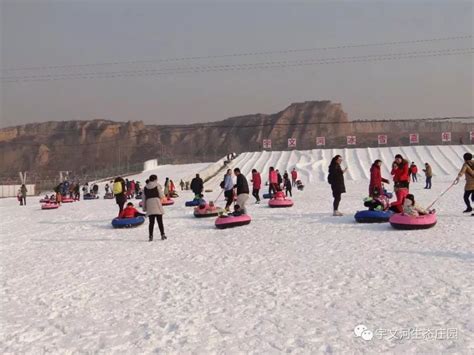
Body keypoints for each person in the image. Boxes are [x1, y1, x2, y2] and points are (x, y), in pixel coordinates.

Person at [143, 174, 166, 241]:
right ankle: (162, 235)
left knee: (151, 222)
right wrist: (163, 198)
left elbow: (143, 198)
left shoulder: (145, 187)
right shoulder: (157, 185)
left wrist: (144, 207)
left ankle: (150, 236)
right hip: (156, 203)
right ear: (155, 179)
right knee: (160, 221)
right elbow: (161, 195)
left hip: (149, 204)